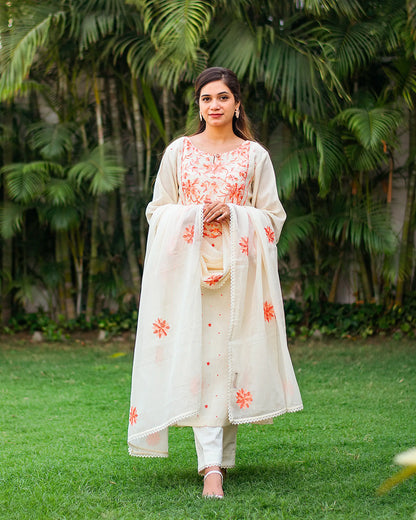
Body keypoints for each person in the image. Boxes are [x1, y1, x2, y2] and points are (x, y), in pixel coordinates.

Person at [127, 67, 303, 498]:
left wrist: (237, 213)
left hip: (239, 275)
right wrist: (192, 214)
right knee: (199, 365)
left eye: (223, 97)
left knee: (229, 363)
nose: (215, 105)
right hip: (188, 278)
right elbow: (157, 211)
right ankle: (211, 468)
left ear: (237, 104)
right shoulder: (179, 153)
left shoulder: (255, 157)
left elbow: (273, 216)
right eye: (207, 98)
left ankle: (217, 462)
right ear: (199, 106)